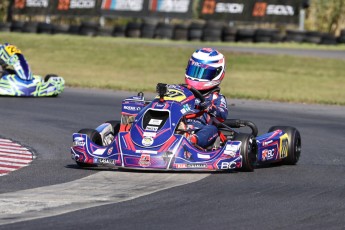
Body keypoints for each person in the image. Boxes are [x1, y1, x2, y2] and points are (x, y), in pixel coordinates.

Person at [185, 48, 228, 149]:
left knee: (212, 129)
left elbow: (222, 115)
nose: (196, 77)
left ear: (217, 73)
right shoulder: (182, 92)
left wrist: (210, 107)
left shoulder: (215, 97)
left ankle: (192, 140)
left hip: (200, 130)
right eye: (194, 71)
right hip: (178, 125)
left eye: (204, 73)